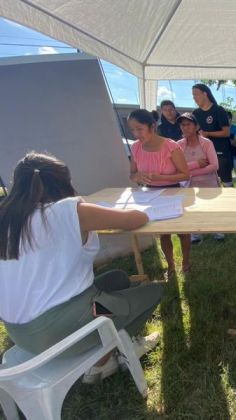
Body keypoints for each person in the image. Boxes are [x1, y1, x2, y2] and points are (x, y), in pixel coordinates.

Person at [0, 152, 163, 384]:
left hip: (19, 332)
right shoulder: (68, 210)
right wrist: (83, 203)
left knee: (117, 278)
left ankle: (107, 336)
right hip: (57, 329)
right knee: (153, 292)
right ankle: (104, 359)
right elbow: (134, 218)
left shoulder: (7, 217)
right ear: (62, 182)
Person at [128, 109, 191, 274]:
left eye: (139, 129)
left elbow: (185, 174)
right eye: (132, 129)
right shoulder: (135, 148)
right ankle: (170, 265)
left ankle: (186, 262)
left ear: (152, 126)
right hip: (149, 195)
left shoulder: (170, 146)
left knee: (183, 232)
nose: (136, 134)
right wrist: (136, 177)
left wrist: (160, 177)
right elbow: (132, 174)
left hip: (173, 193)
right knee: (163, 234)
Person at [177, 112, 221, 249]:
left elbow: (214, 165)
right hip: (189, 186)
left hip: (209, 183)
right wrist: (196, 164)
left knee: (212, 208)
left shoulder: (206, 143)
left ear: (196, 126)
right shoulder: (178, 145)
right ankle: (196, 234)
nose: (185, 128)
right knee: (193, 209)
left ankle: (217, 231)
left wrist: (189, 173)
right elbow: (177, 167)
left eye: (188, 124)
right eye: (182, 125)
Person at [192, 83, 232, 187]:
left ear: (205, 94)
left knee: (226, 184)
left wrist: (207, 134)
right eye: (193, 95)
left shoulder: (219, 110)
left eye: (196, 94)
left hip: (220, 154)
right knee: (207, 185)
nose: (194, 98)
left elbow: (226, 132)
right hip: (203, 156)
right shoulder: (195, 114)